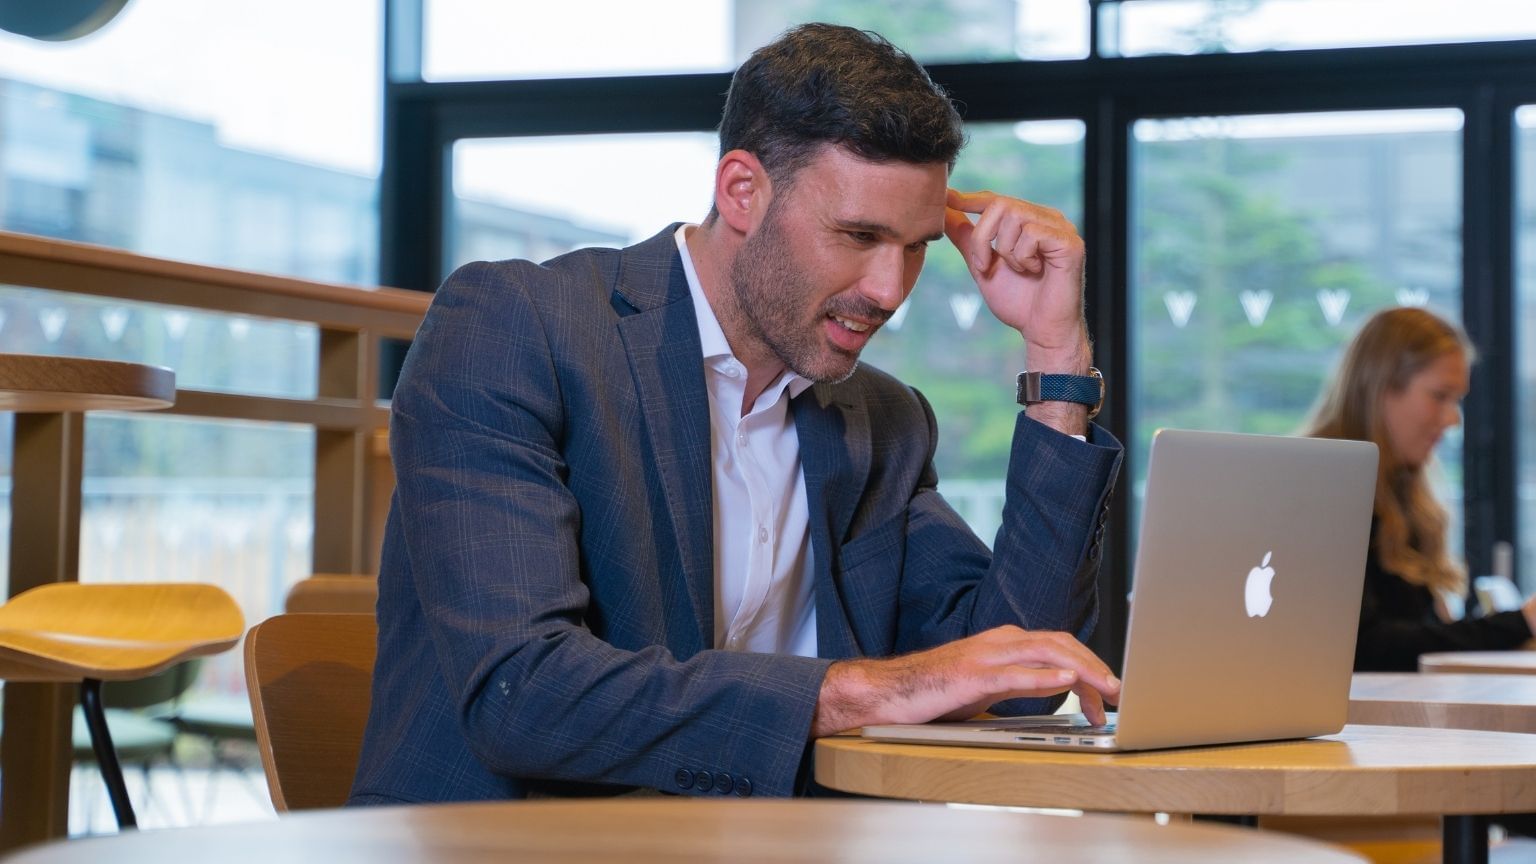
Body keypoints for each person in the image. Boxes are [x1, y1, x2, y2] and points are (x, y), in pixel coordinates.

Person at [349, 23, 1123, 806]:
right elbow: (524, 692)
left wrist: (1056, 360)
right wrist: (868, 692)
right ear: (743, 192)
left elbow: (1020, 674)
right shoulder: (520, 327)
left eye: (917, 246)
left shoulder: (881, 420)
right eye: (859, 236)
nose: (890, 290)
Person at [1305, 306, 1536, 672]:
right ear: (1381, 388)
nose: (1453, 418)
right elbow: (1363, 645)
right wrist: (1520, 623)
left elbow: (1418, 639)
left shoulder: (1401, 491)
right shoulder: (1318, 486)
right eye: (1440, 396)